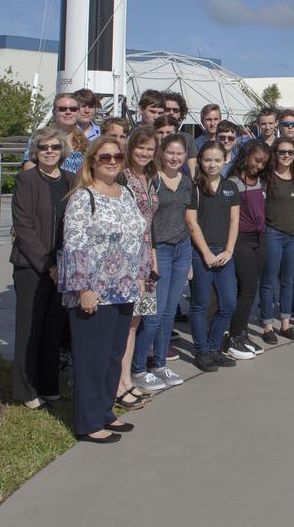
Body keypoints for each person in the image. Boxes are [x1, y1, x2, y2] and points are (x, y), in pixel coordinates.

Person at [59, 135, 148, 442]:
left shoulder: (125, 193)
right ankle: (88, 422)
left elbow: (139, 236)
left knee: (113, 355)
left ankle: (105, 410)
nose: (112, 161)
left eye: (117, 157)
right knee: (91, 358)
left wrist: (140, 274)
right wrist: (82, 288)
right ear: (93, 162)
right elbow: (74, 245)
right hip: (95, 291)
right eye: (105, 157)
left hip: (123, 289)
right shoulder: (84, 197)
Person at [10, 127, 71, 409]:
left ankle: (49, 385)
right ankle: (25, 389)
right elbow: (23, 227)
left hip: (62, 266)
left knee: (52, 329)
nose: (49, 152)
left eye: (55, 147)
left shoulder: (71, 180)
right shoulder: (27, 179)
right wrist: (47, 265)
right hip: (32, 267)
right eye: (44, 147)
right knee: (30, 329)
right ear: (36, 151)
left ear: (63, 152)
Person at [141, 133, 194, 381]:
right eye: (170, 153)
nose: (175, 158)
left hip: (181, 249)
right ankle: (139, 367)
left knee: (170, 312)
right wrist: (150, 257)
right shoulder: (152, 180)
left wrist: (191, 257)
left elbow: (189, 218)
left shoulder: (186, 181)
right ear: (162, 153)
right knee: (153, 315)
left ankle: (160, 364)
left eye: (179, 154)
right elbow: (146, 220)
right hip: (158, 250)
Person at [185, 141, 239, 372]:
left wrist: (229, 250)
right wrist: (205, 252)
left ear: (226, 160)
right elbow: (191, 221)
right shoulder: (194, 187)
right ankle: (202, 350)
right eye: (207, 159)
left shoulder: (231, 187)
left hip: (224, 253)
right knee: (200, 303)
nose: (212, 164)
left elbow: (234, 220)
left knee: (228, 303)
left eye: (217, 159)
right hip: (202, 253)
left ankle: (215, 347)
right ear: (200, 161)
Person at [121, 127, 164, 395]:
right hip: (124, 255)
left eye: (150, 149)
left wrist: (153, 259)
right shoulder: (122, 177)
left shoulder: (150, 177)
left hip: (146, 254)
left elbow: (151, 223)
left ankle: (126, 379)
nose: (145, 153)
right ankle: (118, 382)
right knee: (123, 320)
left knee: (135, 320)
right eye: (140, 147)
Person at [223, 141, 270, 359]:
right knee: (247, 288)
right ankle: (232, 336)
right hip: (241, 239)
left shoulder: (262, 182)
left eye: (264, 162)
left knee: (252, 288)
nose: (260, 166)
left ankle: (241, 331)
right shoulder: (232, 183)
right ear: (246, 157)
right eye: (257, 160)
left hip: (260, 238)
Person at [260, 137, 294, 343]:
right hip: (273, 235)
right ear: (275, 154)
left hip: (293, 236)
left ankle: (285, 324)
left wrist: (293, 227)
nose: (286, 155)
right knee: (269, 281)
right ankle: (267, 325)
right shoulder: (268, 177)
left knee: (289, 281)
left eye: (290, 152)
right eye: (281, 152)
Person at [23, 93, 88, 173]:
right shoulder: (40, 137)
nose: (68, 112)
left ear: (78, 112)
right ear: (54, 113)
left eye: (73, 109)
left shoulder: (84, 140)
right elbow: (29, 166)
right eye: (62, 109)